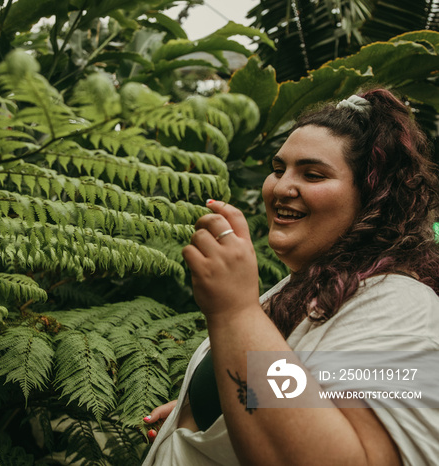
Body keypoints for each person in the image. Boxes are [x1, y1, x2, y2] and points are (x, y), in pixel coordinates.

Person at [142, 88, 439, 465]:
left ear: (373, 197)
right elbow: (303, 400)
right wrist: (211, 414)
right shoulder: (309, 285)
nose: (281, 188)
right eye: (279, 169)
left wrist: (235, 312)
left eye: (313, 174)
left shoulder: (402, 305)